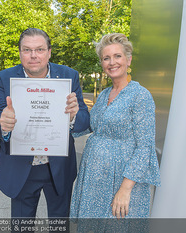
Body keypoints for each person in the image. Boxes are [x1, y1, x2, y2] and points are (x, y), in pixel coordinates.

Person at [0, 28, 90, 221]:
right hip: (21, 168)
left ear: (49, 52)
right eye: (27, 50)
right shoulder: (5, 77)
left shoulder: (69, 75)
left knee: (59, 225)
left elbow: (85, 120)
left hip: (58, 167)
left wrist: (74, 116)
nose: (33, 55)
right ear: (20, 53)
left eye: (40, 49)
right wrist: (2, 122)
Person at [70, 33, 161, 231]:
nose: (112, 62)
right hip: (94, 180)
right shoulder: (103, 95)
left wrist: (125, 189)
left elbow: (145, 147)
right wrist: (72, 116)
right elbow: (92, 126)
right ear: (102, 64)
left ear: (128, 60)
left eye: (117, 56)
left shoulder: (140, 96)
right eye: (106, 58)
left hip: (121, 180)